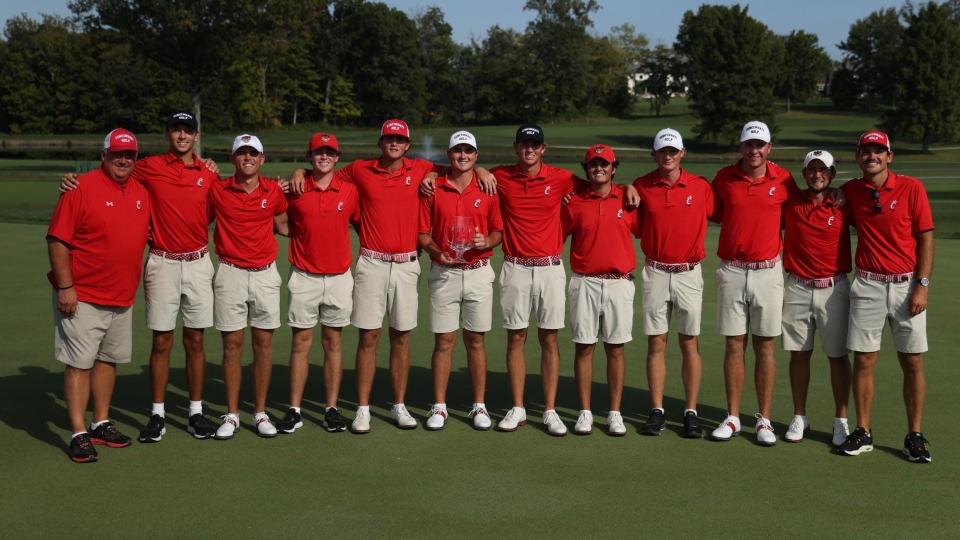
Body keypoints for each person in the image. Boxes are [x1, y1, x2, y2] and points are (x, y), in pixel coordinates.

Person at [59, 112, 220, 442]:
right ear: (167, 134)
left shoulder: (209, 172)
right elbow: (109, 174)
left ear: (196, 135)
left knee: (197, 340)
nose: (182, 136)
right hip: (162, 262)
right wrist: (70, 179)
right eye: (176, 129)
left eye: (187, 130)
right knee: (161, 341)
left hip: (199, 262)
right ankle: (157, 414)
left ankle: (195, 412)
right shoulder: (148, 166)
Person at [47, 128, 151, 462]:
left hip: (122, 297)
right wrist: (66, 287)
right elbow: (57, 241)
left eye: (129, 154)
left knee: (108, 361)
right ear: (103, 155)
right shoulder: (80, 188)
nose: (123, 159)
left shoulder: (140, 191)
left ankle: (100, 422)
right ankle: (78, 433)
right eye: (117, 153)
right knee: (79, 364)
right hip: (83, 295)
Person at [838, 130, 934, 463]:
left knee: (912, 361)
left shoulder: (911, 188)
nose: (872, 156)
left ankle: (915, 435)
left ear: (889, 156)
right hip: (867, 285)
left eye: (879, 151)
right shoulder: (851, 191)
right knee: (864, 360)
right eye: (866, 151)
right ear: (858, 156)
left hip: (908, 286)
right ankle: (863, 431)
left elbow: (925, 237)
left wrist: (922, 284)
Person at [709, 120, 799, 446]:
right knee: (734, 345)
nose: (754, 150)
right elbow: (711, 212)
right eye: (749, 144)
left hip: (768, 272)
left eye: (760, 145)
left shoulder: (785, 180)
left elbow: (801, 215)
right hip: (732, 271)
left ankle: (764, 419)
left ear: (769, 148)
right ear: (741, 147)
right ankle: (732, 416)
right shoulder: (724, 179)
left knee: (765, 346)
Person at [418, 130, 503, 431]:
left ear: (476, 155)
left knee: (476, 341)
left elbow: (498, 233)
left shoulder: (487, 188)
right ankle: (439, 406)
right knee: (444, 341)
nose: (463, 156)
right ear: (448, 154)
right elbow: (423, 234)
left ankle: (479, 405)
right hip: (445, 273)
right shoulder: (433, 188)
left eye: (468, 151)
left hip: (478, 271)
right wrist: (435, 251)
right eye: (457, 151)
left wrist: (486, 241)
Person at [274, 133, 358, 434]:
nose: (324, 157)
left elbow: (361, 220)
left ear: (337, 158)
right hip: (304, 276)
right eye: (318, 152)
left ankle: (331, 408)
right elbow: (278, 219)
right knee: (301, 343)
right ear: (309, 157)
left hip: (338, 278)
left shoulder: (349, 191)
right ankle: (294, 409)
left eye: (329, 153)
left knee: (333, 342)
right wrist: (297, 236)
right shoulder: (295, 188)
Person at [632, 128, 713, 438]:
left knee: (689, 342)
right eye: (662, 151)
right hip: (655, 272)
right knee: (657, 342)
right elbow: (635, 226)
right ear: (654, 154)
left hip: (689, 273)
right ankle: (657, 410)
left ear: (682, 153)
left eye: (673, 151)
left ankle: (691, 411)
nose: (668, 156)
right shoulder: (640, 187)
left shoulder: (700, 187)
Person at [208, 134, 288, 439]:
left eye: (253, 153)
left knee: (263, 346)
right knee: (232, 346)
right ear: (233, 160)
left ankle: (260, 412)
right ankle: (231, 414)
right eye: (241, 153)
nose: (247, 158)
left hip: (266, 275)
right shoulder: (217, 190)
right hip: (230, 274)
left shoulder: (274, 192)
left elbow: (283, 223)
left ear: (262, 159)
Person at [561, 144, 639, 436]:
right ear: (587, 169)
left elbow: (644, 228)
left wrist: (631, 188)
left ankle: (615, 412)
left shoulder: (627, 200)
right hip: (585, 282)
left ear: (613, 168)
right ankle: (585, 412)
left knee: (616, 348)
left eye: (604, 164)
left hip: (619, 283)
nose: (599, 168)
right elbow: (558, 233)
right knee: (584, 347)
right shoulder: (574, 202)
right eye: (593, 164)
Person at [781, 150, 852, 446]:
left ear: (833, 174)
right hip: (797, 287)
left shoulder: (845, 203)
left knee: (837, 356)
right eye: (811, 169)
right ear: (804, 173)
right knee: (799, 354)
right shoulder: (791, 202)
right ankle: (800, 416)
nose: (816, 174)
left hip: (833, 288)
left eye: (823, 170)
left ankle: (841, 420)